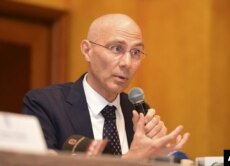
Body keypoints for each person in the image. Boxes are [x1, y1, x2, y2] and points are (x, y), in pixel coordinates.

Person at [23, 13, 190, 159]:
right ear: (87, 50)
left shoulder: (138, 113)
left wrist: (158, 157)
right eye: (116, 48)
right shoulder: (45, 104)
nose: (127, 63)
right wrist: (131, 160)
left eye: (136, 52)